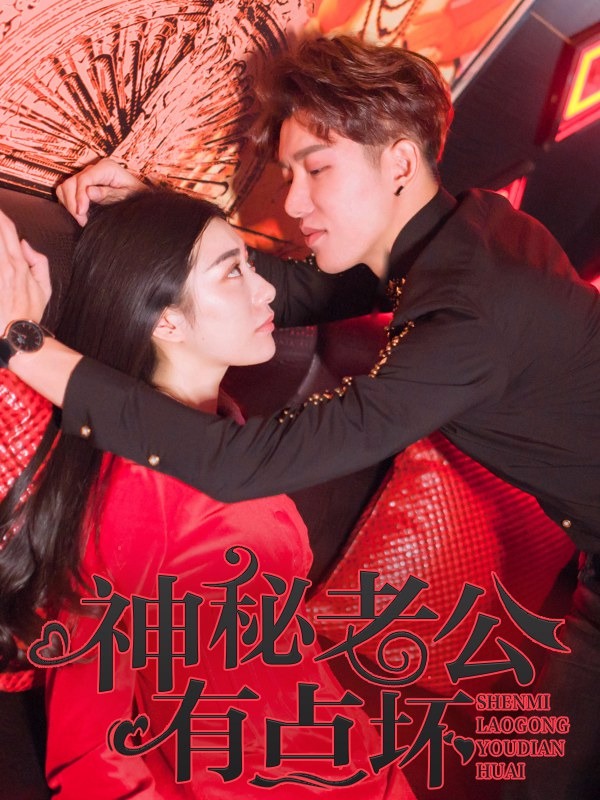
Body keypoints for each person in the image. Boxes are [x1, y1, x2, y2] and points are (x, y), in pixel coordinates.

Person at [1, 34, 599, 799]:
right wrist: (152, 209)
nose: (291, 203)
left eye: (317, 170)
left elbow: (246, 463)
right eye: (289, 173)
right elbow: (291, 292)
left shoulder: (473, 311)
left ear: (400, 163)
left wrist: (23, 343)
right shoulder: (468, 234)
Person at [0, 190, 411, 799]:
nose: (267, 290)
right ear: (165, 320)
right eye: (233, 272)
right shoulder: (136, 488)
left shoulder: (226, 427)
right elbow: (91, 750)